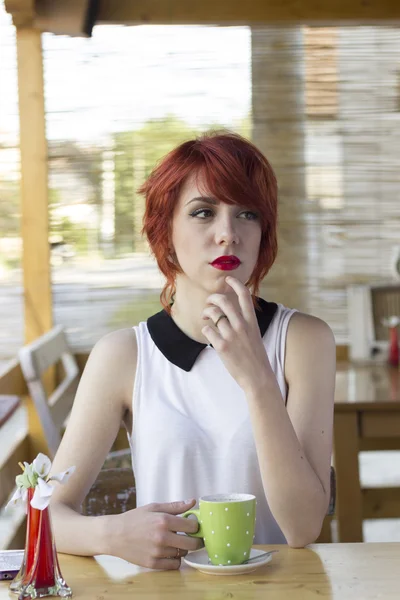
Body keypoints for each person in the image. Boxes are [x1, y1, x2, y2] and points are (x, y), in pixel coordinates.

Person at [50, 131, 336, 570]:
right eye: (203, 213)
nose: (228, 235)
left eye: (247, 214)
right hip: (165, 589)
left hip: (280, 591)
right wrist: (112, 533)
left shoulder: (304, 341)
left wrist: (257, 379)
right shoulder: (124, 355)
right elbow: (48, 514)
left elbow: (302, 528)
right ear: (164, 230)